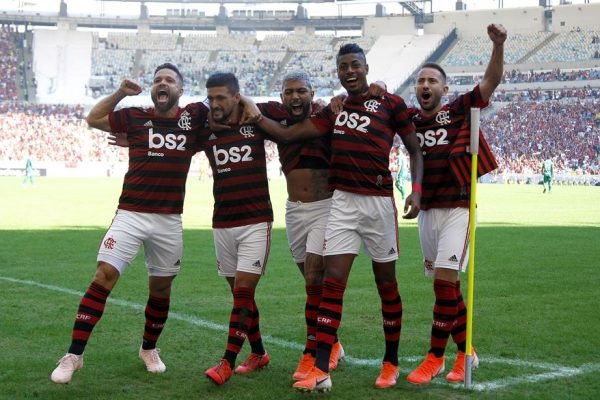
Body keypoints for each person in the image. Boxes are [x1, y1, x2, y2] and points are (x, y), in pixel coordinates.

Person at [245, 43, 424, 393]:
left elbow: (415, 149)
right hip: (341, 203)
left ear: (366, 66)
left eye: (355, 65)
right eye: (343, 67)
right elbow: (286, 134)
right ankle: (321, 367)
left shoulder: (391, 103)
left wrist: (416, 191)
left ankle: (391, 362)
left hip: (378, 204)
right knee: (330, 284)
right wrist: (252, 112)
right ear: (338, 73)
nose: (350, 72)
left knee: (386, 284)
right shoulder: (333, 110)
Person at [50, 63, 209, 384]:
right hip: (130, 214)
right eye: (157, 80)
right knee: (103, 276)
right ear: (153, 88)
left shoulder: (193, 119)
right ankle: (73, 355)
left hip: (168, 220)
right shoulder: (135, 116)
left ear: (180, 89)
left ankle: (149, 348)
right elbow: (94, 119)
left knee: (161, 288)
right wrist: (121, 92)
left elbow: (221, 114)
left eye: (170, 80)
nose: (162, 83)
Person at [405, 23, 506, 386]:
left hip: (458, 209)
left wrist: (498, 46)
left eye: (432, 81)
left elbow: (490, 83)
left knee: (446, 281)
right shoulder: (411, 121)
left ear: (443, 89)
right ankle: (467, 353)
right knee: (446, 288)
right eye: (420, 81)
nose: (425, 86)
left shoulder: (459, 109)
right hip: (427, 211)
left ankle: (435, 357)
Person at [256, 71, 346, 381]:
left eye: (302, 91)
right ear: (281, 96)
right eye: (289, 92)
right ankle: (331, 342)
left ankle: (313, 352)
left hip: (327, 207)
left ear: (312, 93)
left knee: (313, 277)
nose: (296, 97)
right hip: (294, 211)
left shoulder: (327, 115)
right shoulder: (273, 114)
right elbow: (238, 106)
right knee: (313, 284)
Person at [201, 72, 274, 386]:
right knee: (240, 297)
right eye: (211, 98)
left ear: (236, 96)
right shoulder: (204, 130)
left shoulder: (255, 121)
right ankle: (258, 352)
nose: (215, 104)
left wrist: (250, 104)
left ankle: (226, 363)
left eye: (221, 97)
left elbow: (292, 107)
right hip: (222, 222)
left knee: (243, 294)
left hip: (255, 221)